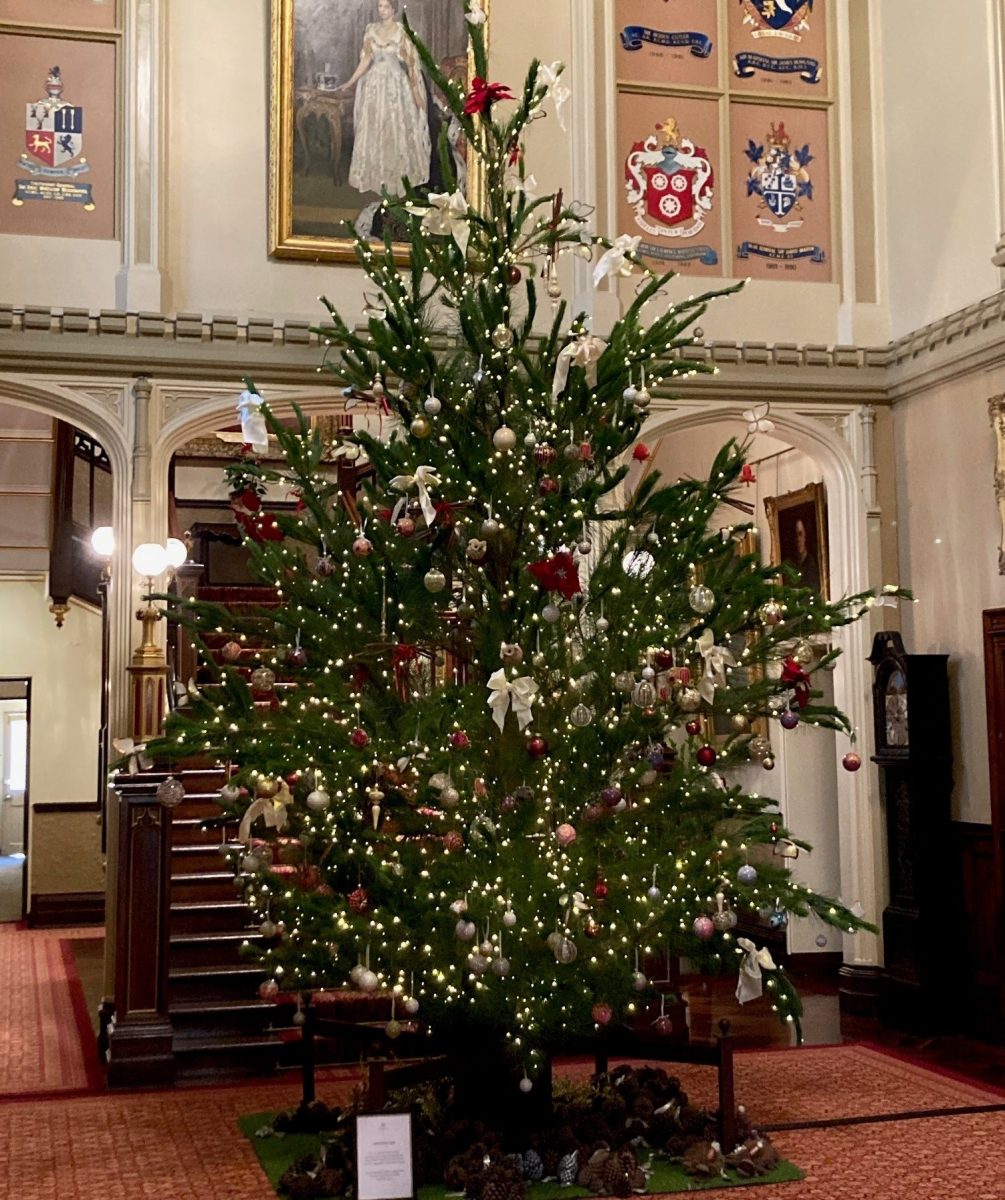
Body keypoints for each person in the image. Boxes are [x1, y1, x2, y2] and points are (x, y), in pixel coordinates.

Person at [338, 0, 431, 197]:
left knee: (395, 128)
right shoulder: (371, 30)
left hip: (396, 86)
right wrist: (350, 82)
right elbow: (366, 60)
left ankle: (396, 179)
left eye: (386, 7)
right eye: (380, 6)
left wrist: (416, 92)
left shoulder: (401, 31)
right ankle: (374, 177)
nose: (382, 11)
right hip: (374, 86)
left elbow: (411, 64)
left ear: (394, 9)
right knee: (375, 127)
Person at [789, 516, 821, 595]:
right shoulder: (790, 566)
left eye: (800, 534)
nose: (798, 539)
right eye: (795, 535)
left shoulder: (812, 565)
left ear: (805, 536)